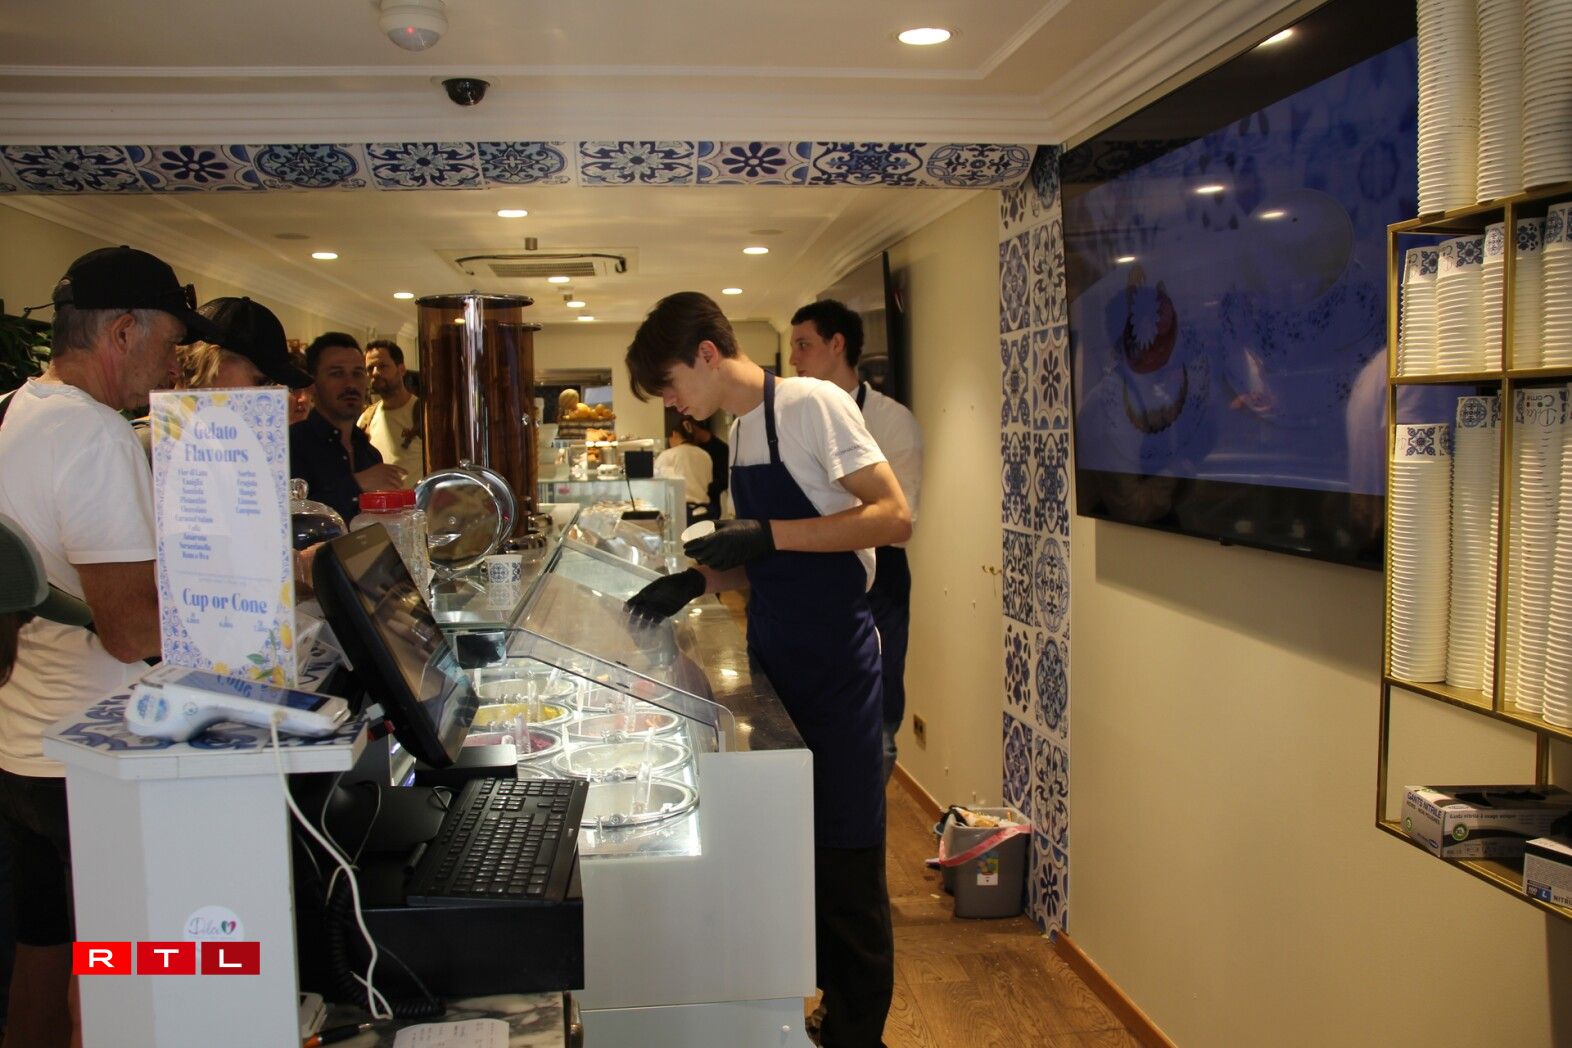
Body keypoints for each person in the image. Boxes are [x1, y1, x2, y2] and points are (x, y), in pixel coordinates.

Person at [623, 292, 909, 1048]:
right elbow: (772, 557)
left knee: (847, 855)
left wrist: (767, 533)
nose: (672, 402)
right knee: (798, 848)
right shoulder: (745, 428)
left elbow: (893, 516)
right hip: (778, 651)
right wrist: (700, 581)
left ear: (707, 354)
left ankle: (860, 1034)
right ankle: (821, 1013)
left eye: (670, 384)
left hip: (836, 662)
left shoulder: (811, 404)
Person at [0, 245, 223, 1048]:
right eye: (172, 343)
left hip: (21, 746)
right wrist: (229, 594)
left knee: (42, 952)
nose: (175, 364)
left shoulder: (17, 408)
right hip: (92, 758)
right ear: (124, 331)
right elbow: (132, 632)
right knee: (117, 972)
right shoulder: (95, 436)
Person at [789, 299, 924, 784]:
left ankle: (868, 821)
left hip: (880, 581)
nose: (793, 359)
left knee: (877, 719)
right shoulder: (794, 418)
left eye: (803, 345)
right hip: (813, 577)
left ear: (837, 344)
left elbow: (897, 521)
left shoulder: (891, 421)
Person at [289, 333, 404, 525]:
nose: (350, 384)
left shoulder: (369, 454)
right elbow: (289, 522)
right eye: (337, 373)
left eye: (358, 373)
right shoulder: (292, 446)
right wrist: (356, 485)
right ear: (312, 384)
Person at [358, 339, 425, 484]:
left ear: (401, 369)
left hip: (417, 498)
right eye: (370, 368)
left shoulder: (424, 414)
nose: (375, 373)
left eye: (382, 366)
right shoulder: (366, 419)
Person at [654, 416, 714, 526]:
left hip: (680, 512)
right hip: (704, 512)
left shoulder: (668, 455)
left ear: (674, 434)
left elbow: (655, 483)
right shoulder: (704, 454)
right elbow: (709, 481)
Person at [682, 414, 730, 520]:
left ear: (693, 427)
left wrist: (700, 487)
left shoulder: (721, 449)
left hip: (711, 507)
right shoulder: (693, 449)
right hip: (691, 506)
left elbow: (724, 480)